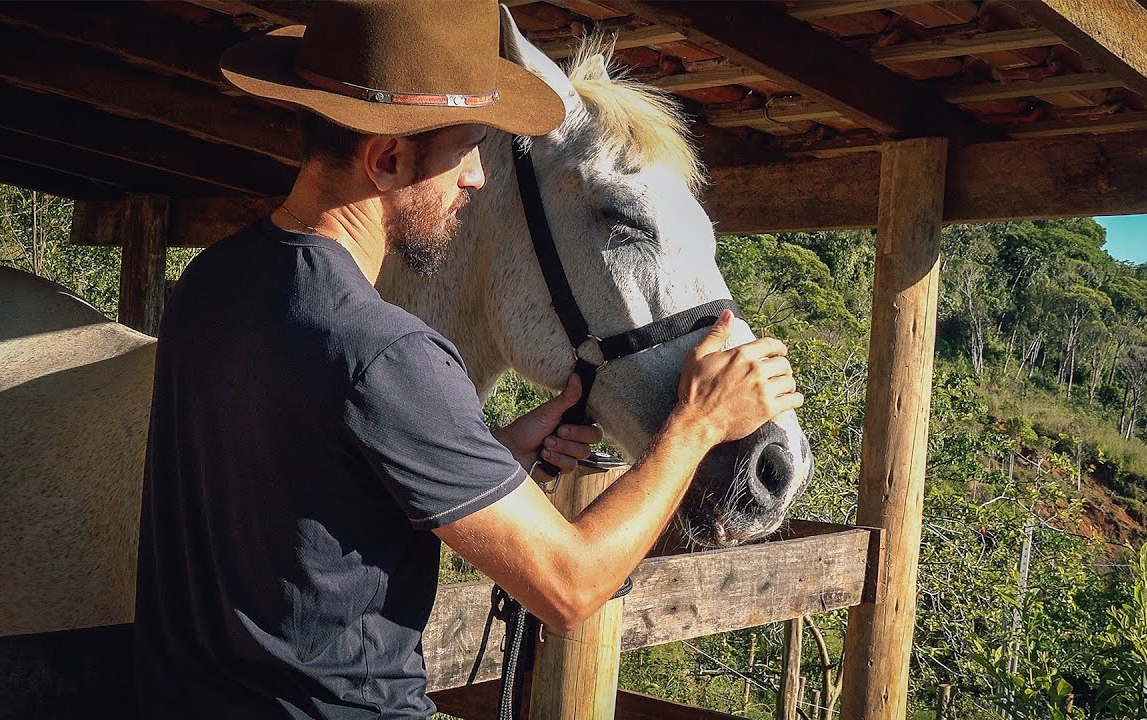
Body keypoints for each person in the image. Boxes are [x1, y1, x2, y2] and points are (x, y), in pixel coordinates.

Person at [134, 2, 803, 718]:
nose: (476, 182)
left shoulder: (211, 282)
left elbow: (302, 497)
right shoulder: (387, 354)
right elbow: (571, 588)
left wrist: (480, 457)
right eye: (465, 153)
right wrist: (694, 428)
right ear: (387, 160)